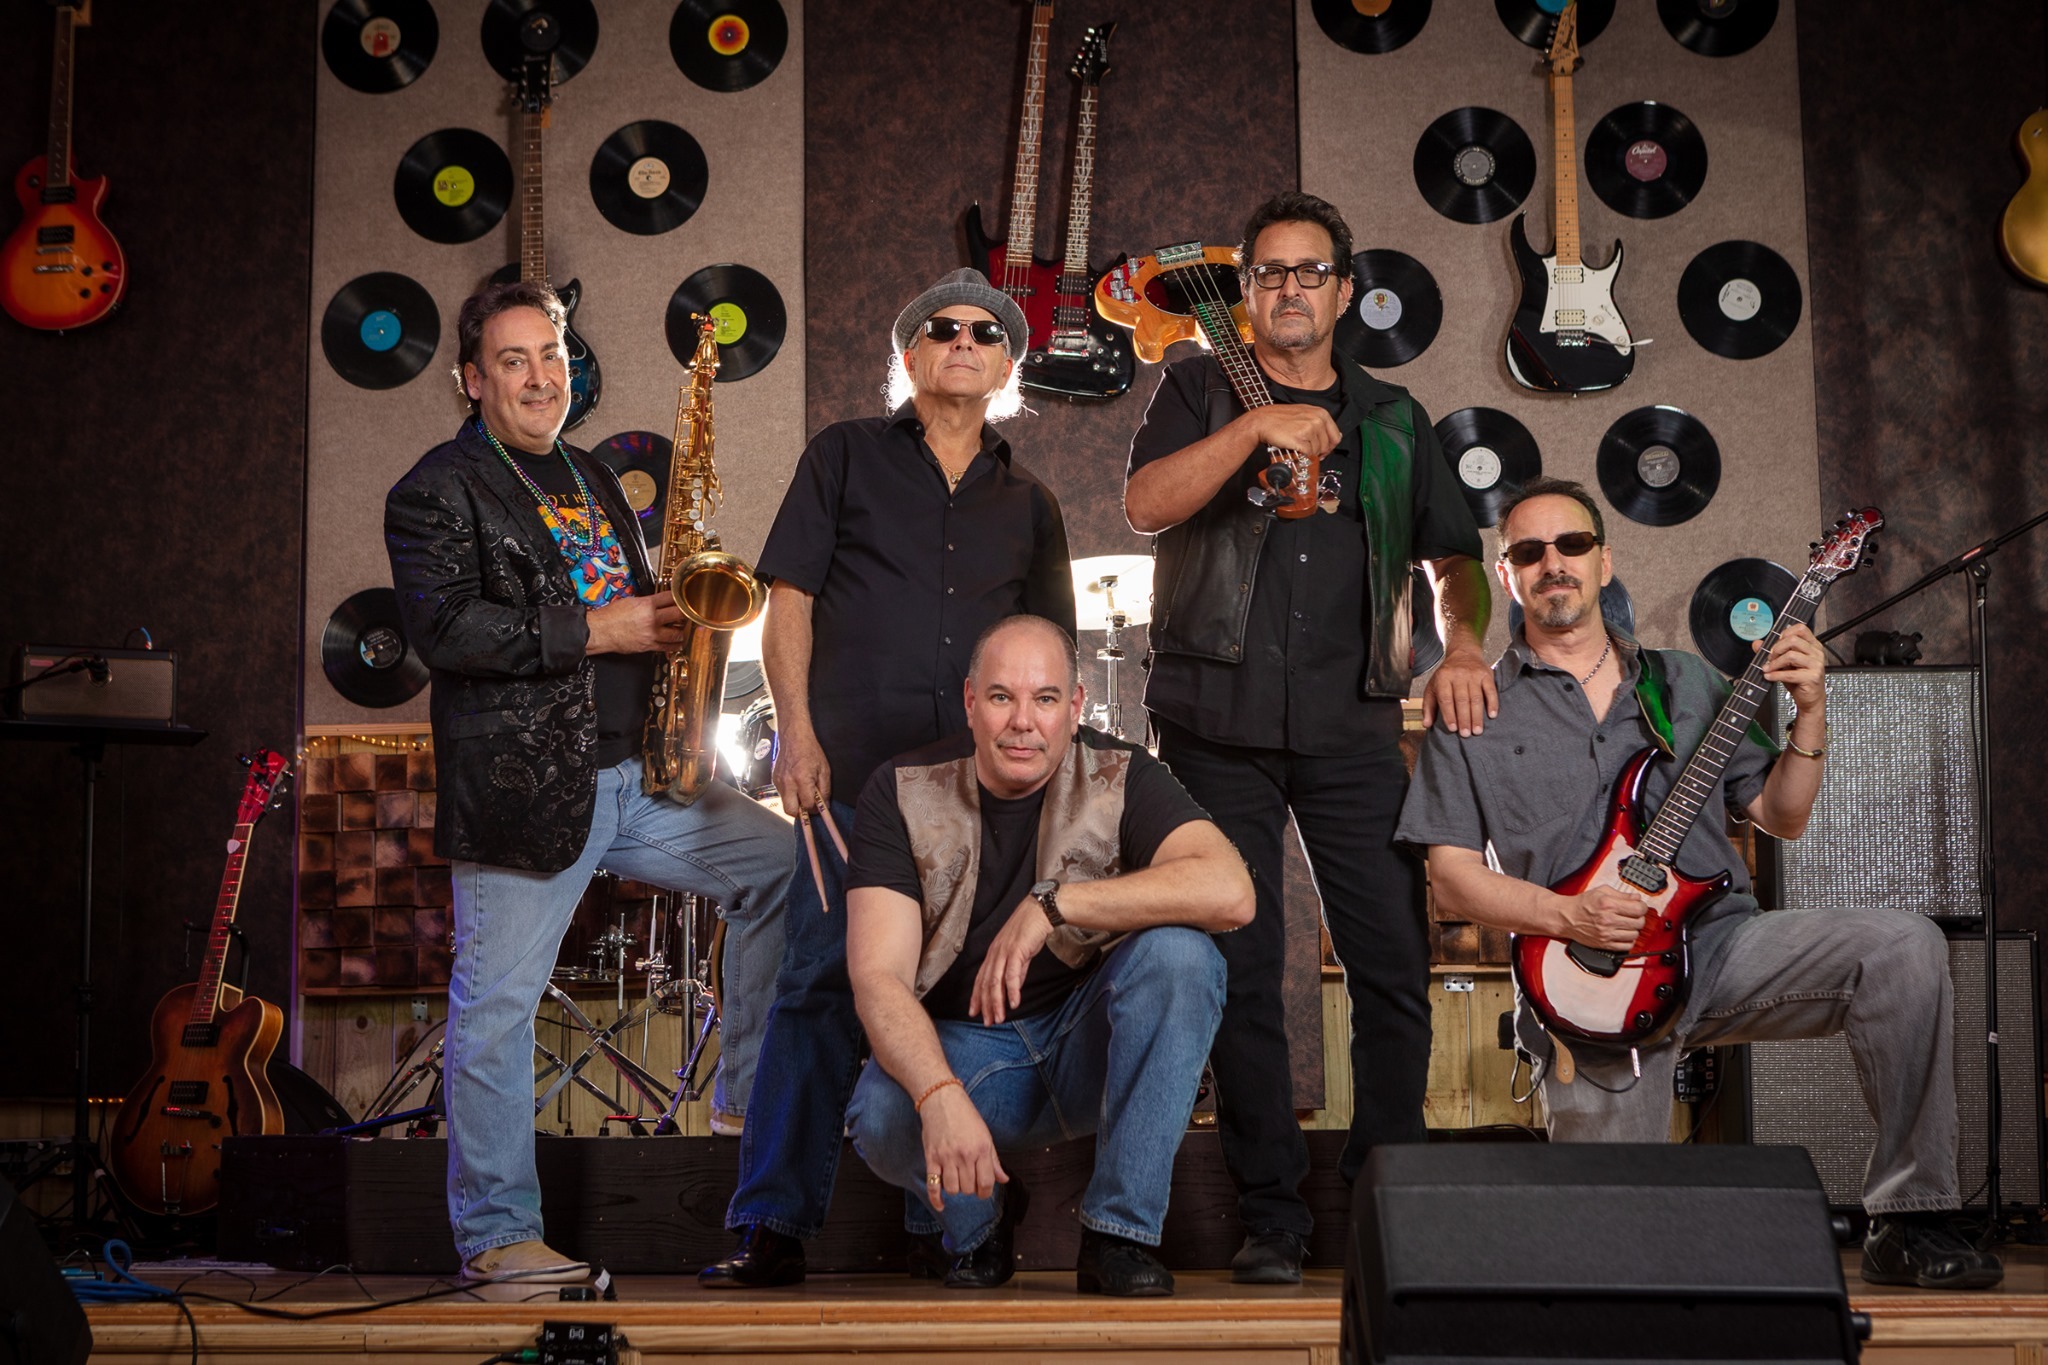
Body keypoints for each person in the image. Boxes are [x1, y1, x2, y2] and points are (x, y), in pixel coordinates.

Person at [1395, 476, 2003, 1292]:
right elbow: (1452, 880)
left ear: (1605, 560)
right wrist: (1568, 916)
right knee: (1612, 1260)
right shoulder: (1473, 705)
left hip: (1722, 947)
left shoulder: (1683, 682)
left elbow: (1781, 815)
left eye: (1572, 544)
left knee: (1904, 944)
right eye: (1529, 552)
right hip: (1591, 984)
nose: (1553, 563)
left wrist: (1810, 709)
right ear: (1506, 575)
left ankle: (1910, 1217)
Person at [385, 280, 795, 1283]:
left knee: (783, 866)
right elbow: (445, 631)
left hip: (640, 773)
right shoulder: (435, 489)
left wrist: (679, 656)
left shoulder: (593, 472)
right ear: (471, 379)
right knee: (496, 1008)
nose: (539, 377)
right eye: (513, 360)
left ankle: (741, 1103)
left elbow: (637, 603)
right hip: (527, 788)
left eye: (552, 356)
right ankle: (497, 1238)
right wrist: (599, 628)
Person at [1121, 190, 1493, 1283]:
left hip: (1351, 724)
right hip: (1214, 722)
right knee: (1241, 969)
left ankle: (1385, 1206)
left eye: (1310, 271)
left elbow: (1452, 556)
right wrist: (1252, 429)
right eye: (1270, 272)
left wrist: (1465, 644)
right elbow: (1145, 504)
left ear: (1344, 291)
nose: (1291, 288)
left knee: (1392, 967)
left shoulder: (1394, 419)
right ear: (1246, 291)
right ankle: (1272, 1216)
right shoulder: (1196, 388)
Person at [702, 268, 1077, 1287]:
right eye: (943, 328)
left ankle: (945, 1215)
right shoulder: (842, 456)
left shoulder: (1032, 504)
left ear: (1006, 367)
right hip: (854, 784)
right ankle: (772, 1224)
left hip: (978, 799)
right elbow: (789, 600)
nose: (965, 341)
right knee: (816, 987)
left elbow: (1048, 655)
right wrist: (796, 734)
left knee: (952, 999)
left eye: (986, 333)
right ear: (908, 356)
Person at [843, 615, 1253, 1296]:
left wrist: (1054, 904)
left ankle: (1118, 1235)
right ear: (970, 701)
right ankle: (980, 1226)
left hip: (1091, 1045)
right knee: (881, 1115)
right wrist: (939, 1095)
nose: (1022, 723)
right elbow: (877, 978)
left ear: (1076, 704)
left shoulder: (1123, 773)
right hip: (972, 1057)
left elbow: (1232, 893)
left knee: (1183, 956)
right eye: (1001, 697)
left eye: (1045, 698)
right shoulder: (901, 790)